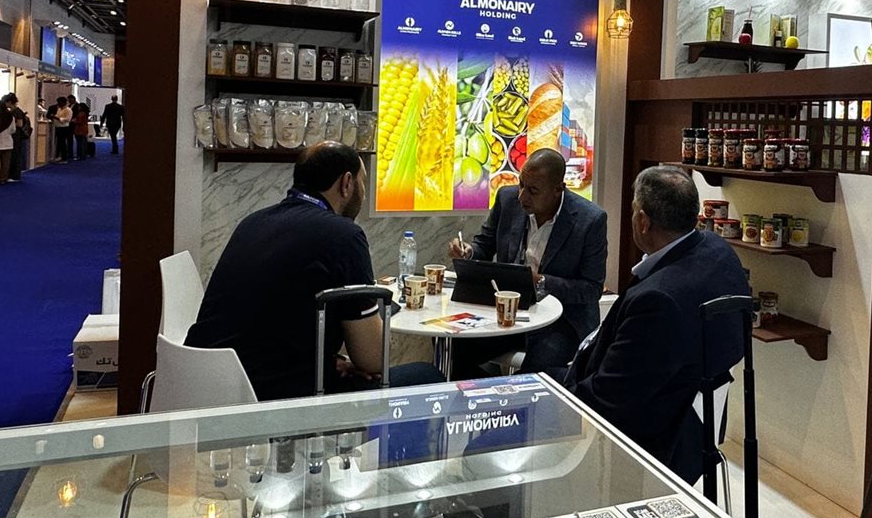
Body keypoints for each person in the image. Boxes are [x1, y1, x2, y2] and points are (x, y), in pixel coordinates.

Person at [186, 143, 443, 400]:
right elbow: (374, 360)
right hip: (270, 399)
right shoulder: (344, 235)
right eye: (363, 183)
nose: (363, 195)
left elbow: (271, 316)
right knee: (428, 376)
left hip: (201, 385)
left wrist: (331, 360)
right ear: (346, 183)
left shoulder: (252, 222)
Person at [565, 165, 750, 483]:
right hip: (694, 409)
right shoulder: (718, 250)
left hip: (654, 435)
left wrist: (556, 397)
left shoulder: (659, 300)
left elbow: (608, 399)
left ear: (642, 221)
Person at [447, 148, 608, 377]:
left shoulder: (590, 220)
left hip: (561, 321)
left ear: (558, 189)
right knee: (451, 344)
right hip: (506, 313)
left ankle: (507, 396)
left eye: (533, 190)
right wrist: (469, 252)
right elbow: (484, 245)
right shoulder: (507, 199)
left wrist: (540, 281)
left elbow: (591, 289)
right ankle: (488, 392)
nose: (522, 196)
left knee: (535, 372)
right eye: (521, 184)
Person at [4, 93, 30, 181]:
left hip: (17, 135)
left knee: (15, 155)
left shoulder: (17, 111)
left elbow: (20, 124)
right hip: (15, 135)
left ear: (9, 102)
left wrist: (9, 124)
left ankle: (14, 175)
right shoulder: (15, 111)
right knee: (14, 155)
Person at [52, 97, 72, 162]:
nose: (58, 104)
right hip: (58, 127)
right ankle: (58, 156)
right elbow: (57, 115)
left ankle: (64, 158)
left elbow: (68, 119)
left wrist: (58, 118)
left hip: (64, 128)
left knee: (63, 143)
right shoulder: (59, 109)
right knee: (59, 143)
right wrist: (54, 116)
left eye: (59, 102)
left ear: (64, 102)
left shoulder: (68, 110)